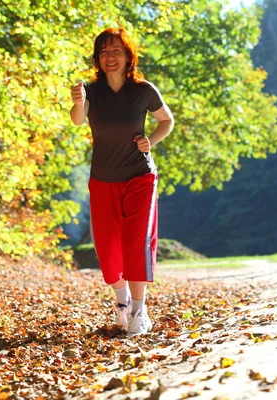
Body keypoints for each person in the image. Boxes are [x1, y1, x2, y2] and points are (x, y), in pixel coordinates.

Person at [70, 27, 174, 337]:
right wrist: (77, 101)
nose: (110, 56)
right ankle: (122, 304)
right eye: (104, 51)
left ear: (129, 56)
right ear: (97, 59)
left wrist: (150, 140)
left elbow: (166, 120)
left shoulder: (142, 90)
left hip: (139, 176)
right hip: (102, 179)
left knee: (134, 241)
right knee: (106, 247)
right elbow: (78, 119)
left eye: (116, 50)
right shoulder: (90, 90)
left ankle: (139, 311)